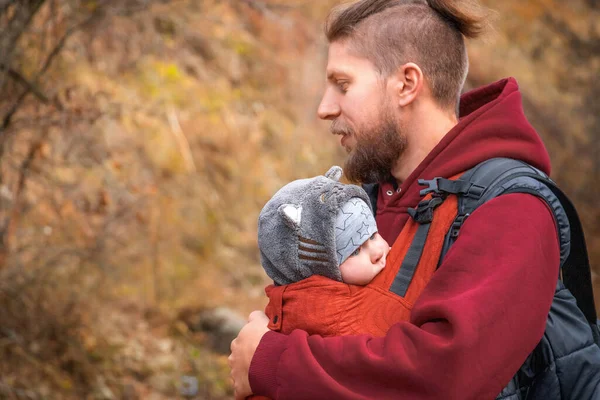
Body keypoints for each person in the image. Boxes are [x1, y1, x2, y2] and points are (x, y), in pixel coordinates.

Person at [229, 0, 600, 399]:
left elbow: (443, 377)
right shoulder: (364, 203)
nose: (325, 108)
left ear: (407, 84)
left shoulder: (513, 210)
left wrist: (273, 361)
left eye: (343, 84)